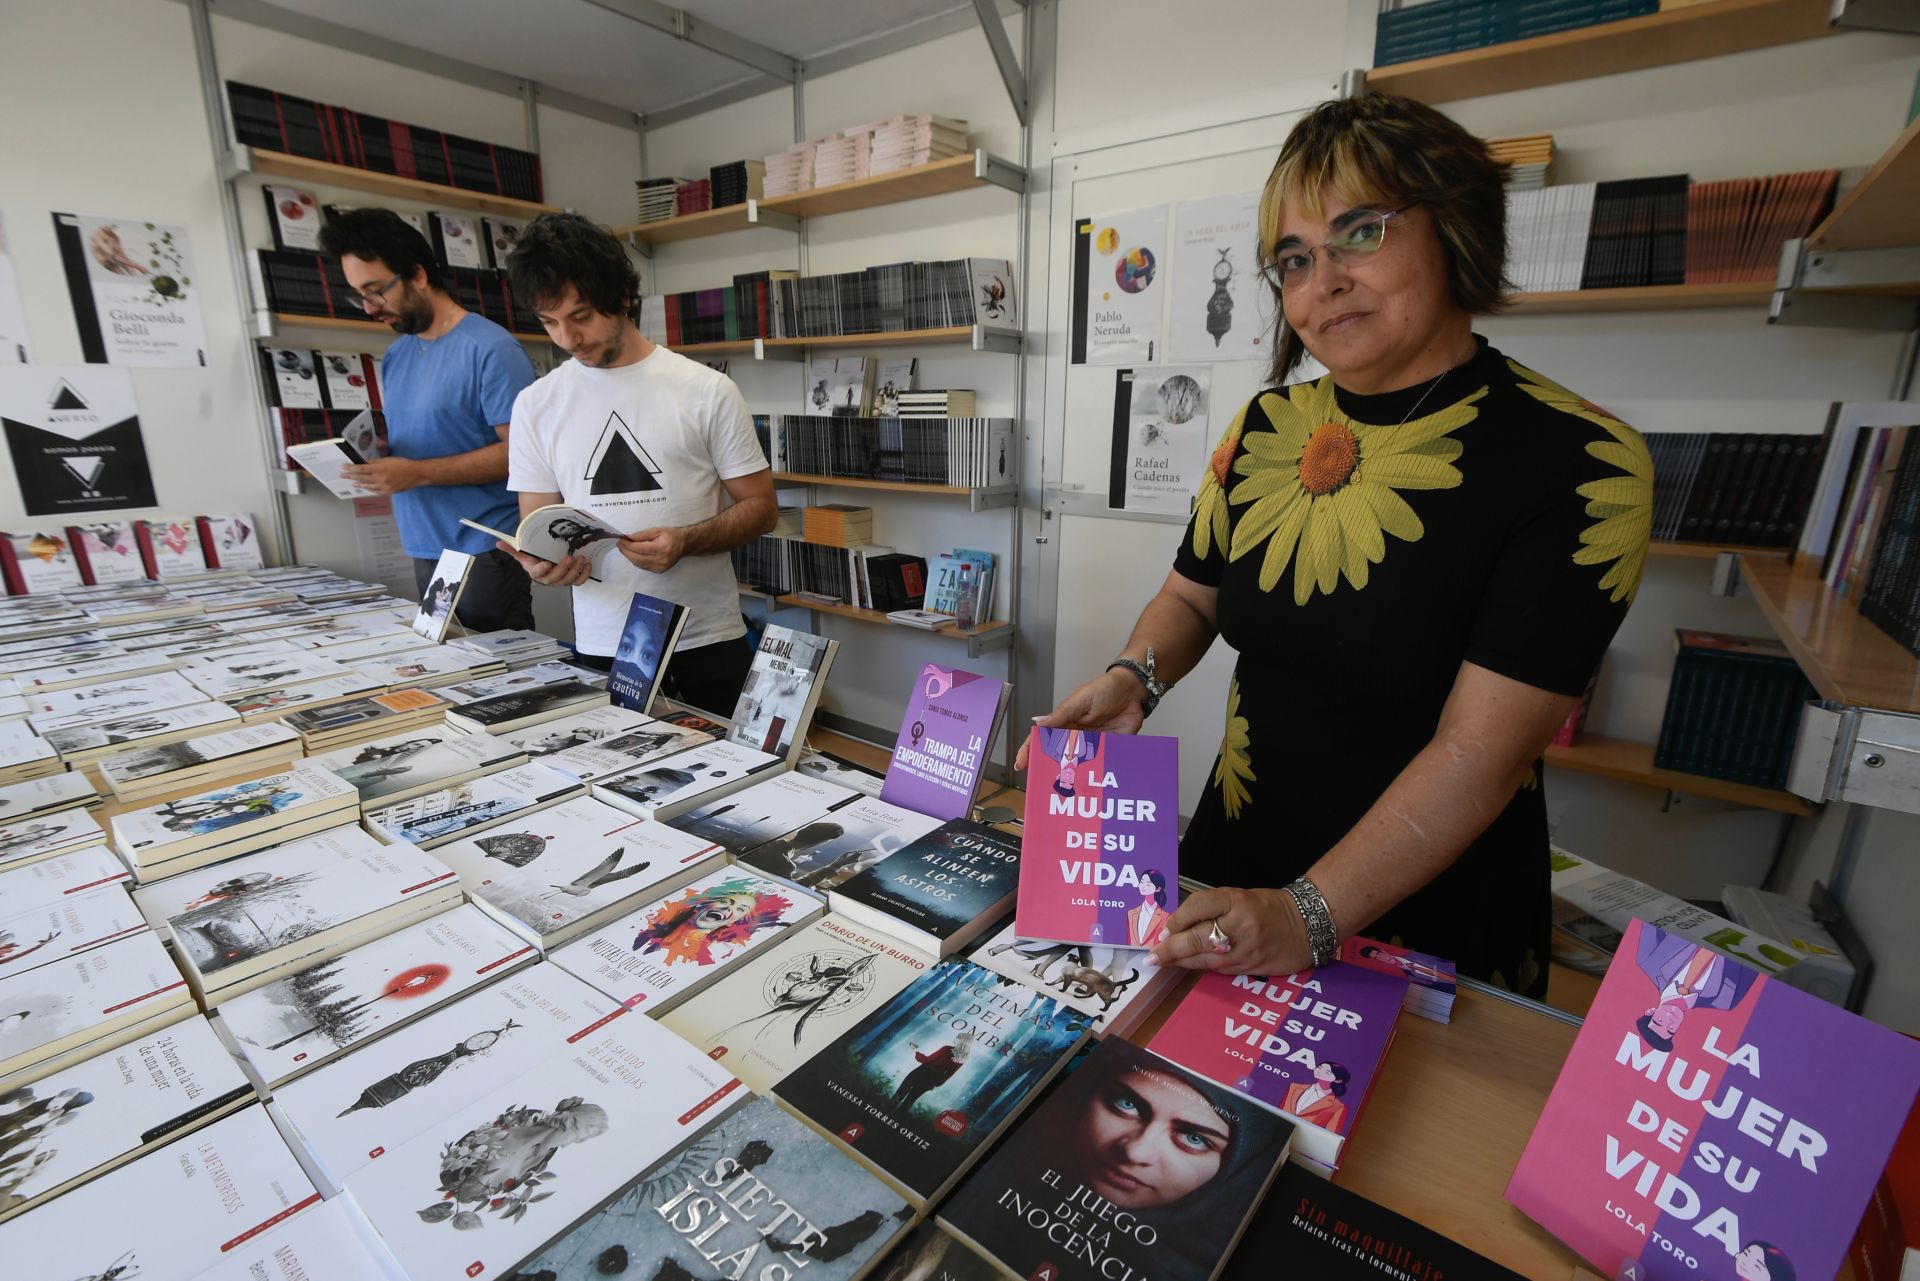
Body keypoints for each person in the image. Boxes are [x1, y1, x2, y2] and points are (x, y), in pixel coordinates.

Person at [1023, 93, 1652, 998]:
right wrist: (1134, 680)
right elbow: (1193, 597)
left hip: (1424, 907)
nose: (1324, 280)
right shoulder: (1269, 423)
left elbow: (1482, 753)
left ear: (1456, 227)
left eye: (1361, 231)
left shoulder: (1582, 463)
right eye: (1294, 257)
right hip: (1232, 859)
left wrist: (1308, 914)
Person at [502, 214, 776, 715]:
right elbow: (536, 523)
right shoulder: (535, 404)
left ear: (621, 298)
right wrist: (542, 567)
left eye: (581, 316)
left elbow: (761, 508)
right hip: (602, 644)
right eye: (549, 322)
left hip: (705, 640)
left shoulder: (706, 391)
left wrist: (686, 541)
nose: (567, 338)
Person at [317, 209, 536, 633]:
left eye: (376, 292)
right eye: (358, 295)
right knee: (449, 676)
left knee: (501, 680)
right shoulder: (398, 354)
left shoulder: (492, 349)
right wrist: (380, 456)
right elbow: (435, 438)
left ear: (417, 275)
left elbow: (523, 457)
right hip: (422, 544)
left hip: (483, 549)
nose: (367, 308)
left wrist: (415, 473)